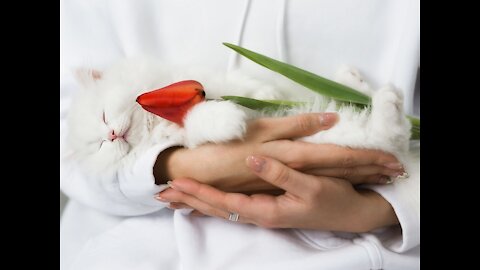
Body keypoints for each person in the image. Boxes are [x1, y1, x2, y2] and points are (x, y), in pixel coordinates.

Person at [60, 0, 419, 269]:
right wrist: (174, 167)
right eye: (100, 141)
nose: (109, 133)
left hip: (362, 245)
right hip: (127, 247)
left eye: (106, 121)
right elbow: (66, 133)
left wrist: (387, 210)